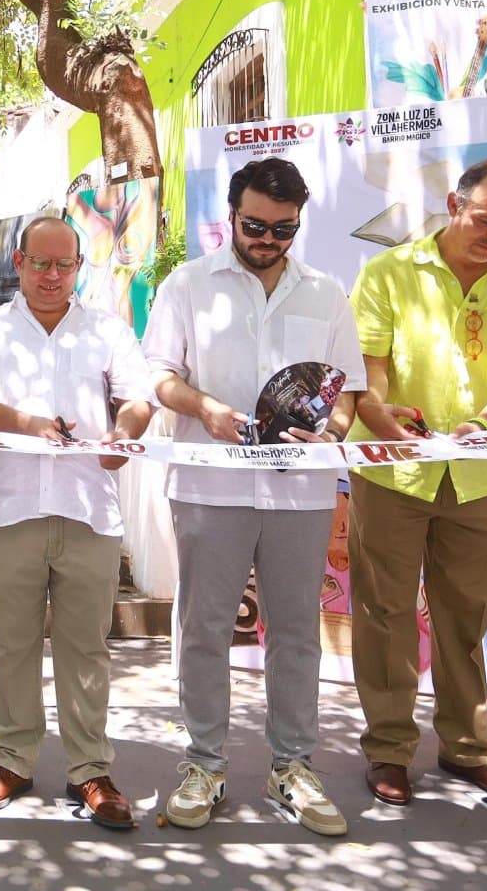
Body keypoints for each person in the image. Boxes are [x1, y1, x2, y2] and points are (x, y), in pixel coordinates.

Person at [143, 158, 365, 837]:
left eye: (283, 228)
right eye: (255, 225)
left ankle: (293, 766)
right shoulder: (187, 285)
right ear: (231, 214)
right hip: (210, 484)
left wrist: (332, 430)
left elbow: (349, 390)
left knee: (296, 633)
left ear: (299, 223)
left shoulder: (325, 292)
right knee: (204, 628)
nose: (267, 239)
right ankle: (203, 764)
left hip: (301, 492)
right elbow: (159, 376)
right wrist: (204, 407)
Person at [346, 158, 487, 808]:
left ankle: (469, 748)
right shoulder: (388, 272)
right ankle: (388, 749)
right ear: (454, 204)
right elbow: (367, 372)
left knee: (467, 617)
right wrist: (380, 414)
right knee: (385, 614)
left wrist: (483, 424)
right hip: (392, 470)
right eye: (486, 220)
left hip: (480, 475)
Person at [0, 214, 155, 831]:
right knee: (12, 642)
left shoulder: (107, 331)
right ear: (18, 262)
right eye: (40, 263)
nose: (52, 275)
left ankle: (90, 768)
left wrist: (123, 435)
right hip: (11, 507)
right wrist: (27, 424)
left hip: (88, 506)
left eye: (64, 265)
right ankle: (12, 758)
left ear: (79, 268)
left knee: (86, 647)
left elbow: (137, 398)